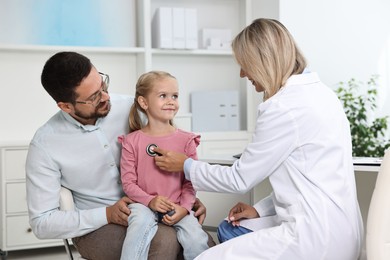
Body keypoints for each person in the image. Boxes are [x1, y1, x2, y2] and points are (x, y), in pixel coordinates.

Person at [152, 18, 364, 259]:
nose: (243, 73)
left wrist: (185, 166)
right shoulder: (323, 94)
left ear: (263, 61)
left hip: (315, 238)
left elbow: (239, 178)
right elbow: (308, 179)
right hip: (344, 231)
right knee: (229, 228)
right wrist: (259, 209)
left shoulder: (282, 107)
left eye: (245, 65)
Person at [25, 52, 213, 260]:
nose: (106, 97)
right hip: (99, 226)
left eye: (103, 86)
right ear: (66, 106)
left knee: (206, 244)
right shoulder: (45, 144)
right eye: (94, 97)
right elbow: (41, 223)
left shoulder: (133, 108)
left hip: (154, 204)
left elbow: (173, 152)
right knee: (164, 241)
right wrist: (107, 214)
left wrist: (186, 200)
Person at [118, 71, 209, 260]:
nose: (171, 101)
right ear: (144, 103)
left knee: (196, 238)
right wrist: (150, 200)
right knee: (138, 226)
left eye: (174, 96)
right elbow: (128, 183)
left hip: (177, 205)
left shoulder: (187, 140)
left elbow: (191, 181)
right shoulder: (131, 141)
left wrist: (184, 208)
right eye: (163, 96)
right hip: (143, 205)